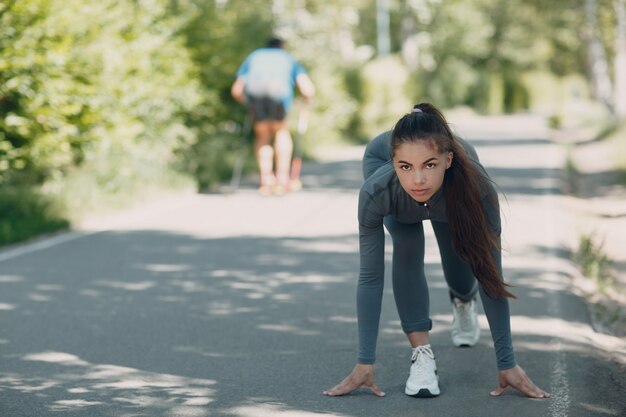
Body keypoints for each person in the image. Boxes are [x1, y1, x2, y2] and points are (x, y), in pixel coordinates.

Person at [324, 103, 550, 399]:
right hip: (383, 166)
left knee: (459, 254)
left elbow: (490, 276)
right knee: (407, 245)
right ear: (395, 164)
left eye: (429, 164)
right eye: (406, 167)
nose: (418, 179)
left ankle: (462, 300)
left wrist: (507, 363)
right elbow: (370, 278)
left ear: (447, 159)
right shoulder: (377, 191)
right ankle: (422, 355)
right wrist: (364, 361)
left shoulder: (477, 189)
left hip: (454, 189)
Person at [231, 36, 315, 195]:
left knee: (262, 135)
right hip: (278, 97)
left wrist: (249, 104)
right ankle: (282, 180)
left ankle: (265, 180)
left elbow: (236, 90)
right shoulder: (288, 58)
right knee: (281, 132)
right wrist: (306, 101)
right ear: (282, 46)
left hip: (256, 98)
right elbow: (307, 89)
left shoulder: (254, 56)